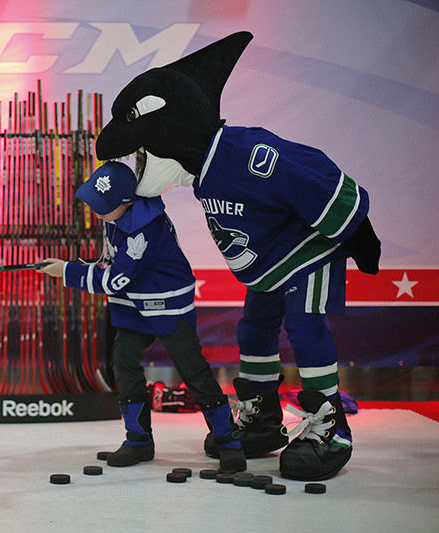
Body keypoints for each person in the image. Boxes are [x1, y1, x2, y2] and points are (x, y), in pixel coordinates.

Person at [93, 31, 381, 481]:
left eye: (143, 147)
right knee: (253, 328)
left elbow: (312, 173)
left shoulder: (248, 153)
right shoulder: (202, 172)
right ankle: (263, 417)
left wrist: (358, 230)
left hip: (309, 253)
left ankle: (330, 425)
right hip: (267, 266)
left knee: (305, 327)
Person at [38, 160, 246, 473]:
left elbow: (115, 279)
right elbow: (111, 262)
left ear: (126, 202)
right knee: (122, 361)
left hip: (167, 306)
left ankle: (227, 441)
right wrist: (74, 266)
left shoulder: (143, 230)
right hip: (133, 305)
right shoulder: (116, 215)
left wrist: (67, 271)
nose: (97, 211)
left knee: (193, 370)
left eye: (102, 205)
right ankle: (138, 440)